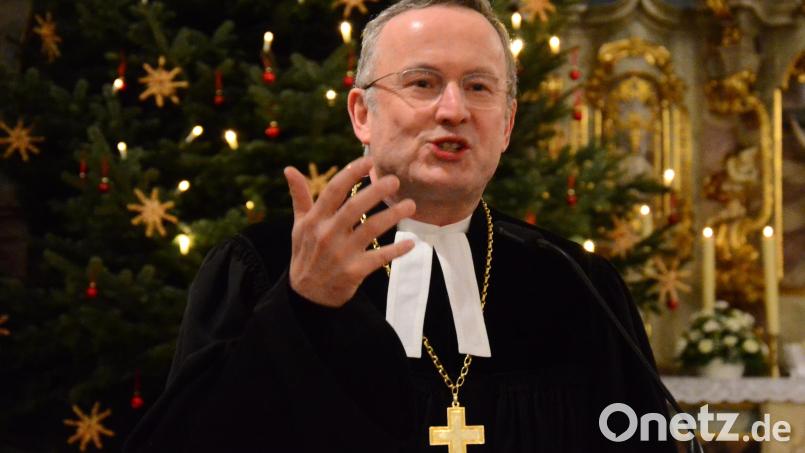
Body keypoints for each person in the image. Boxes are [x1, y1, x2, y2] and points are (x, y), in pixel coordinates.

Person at [124, 0, 676, 451]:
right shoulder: (262, 264)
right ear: (362, 114)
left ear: (506, 125)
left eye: (480, 87)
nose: (453, 109)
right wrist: (300, 308)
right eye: (422, 83)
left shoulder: (574, 282)